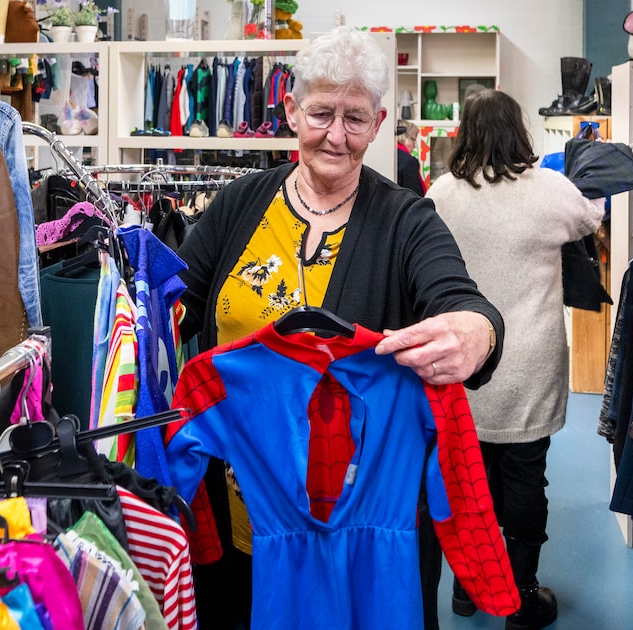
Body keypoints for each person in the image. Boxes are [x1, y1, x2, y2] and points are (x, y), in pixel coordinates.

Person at [175, 26, 506, 630]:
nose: (335, 135)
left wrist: (476, 331)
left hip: (359, 534)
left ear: (378, 124)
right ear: (291, 109)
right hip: (242, 513)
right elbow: (172, 305)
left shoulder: (406, 220)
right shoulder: (237, 206)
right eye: (321, 113)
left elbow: (461, 300)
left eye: (355, 119)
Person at [426, 88, 603, 630]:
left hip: (463, 360)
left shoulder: (442, 193)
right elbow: (589, 220)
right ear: (520, 131)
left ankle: (465, 587)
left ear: (466, 133)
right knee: (526, 476)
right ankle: (521, 595)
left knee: (467, 477)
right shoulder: (549, 189)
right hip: (528, 359)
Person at [397, 121, 427, 195]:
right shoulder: (409, 162)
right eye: (413, 140)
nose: (414, 146)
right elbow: (415, 195)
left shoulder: (389, 154)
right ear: (403, 137)